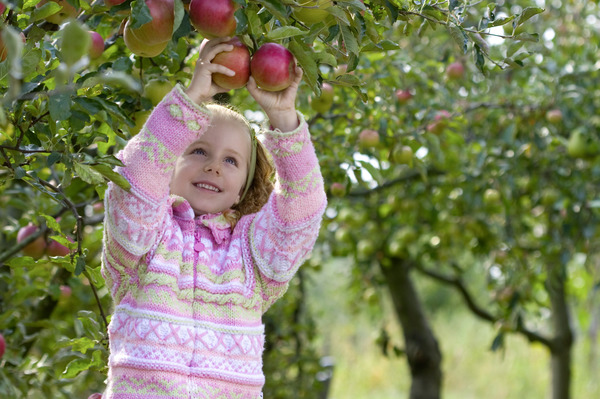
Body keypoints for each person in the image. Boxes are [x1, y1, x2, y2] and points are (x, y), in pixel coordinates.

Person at [100, 37, 327, 398]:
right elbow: (135, 181)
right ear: (169, 163)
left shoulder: (252, 256)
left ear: (242, 188)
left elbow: (303, 212)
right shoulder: (144, 239)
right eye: (199, 150)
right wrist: (192, 100)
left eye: (231, 160)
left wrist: (284, 120)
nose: (213, 166)